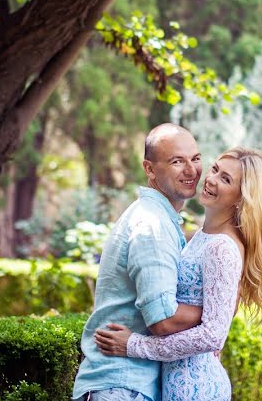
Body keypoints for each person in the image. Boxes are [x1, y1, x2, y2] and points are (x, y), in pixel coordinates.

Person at [94, 148, 262, 401]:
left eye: (226, 179)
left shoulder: (222, 247)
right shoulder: (202, 237)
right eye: (215, 169)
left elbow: (213, 335)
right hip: (176, 382)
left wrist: (135, 345)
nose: (212, 179)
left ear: (241, 198)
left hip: (196, 387)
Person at [73, 123, 205, 401]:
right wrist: (216, 310)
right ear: (149, 169)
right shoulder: (152, 227)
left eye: (195, 158)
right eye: (177, 161)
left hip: (128, 384)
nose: (191, 170)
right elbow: (164, 321)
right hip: (122, 386)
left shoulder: (159, 219)